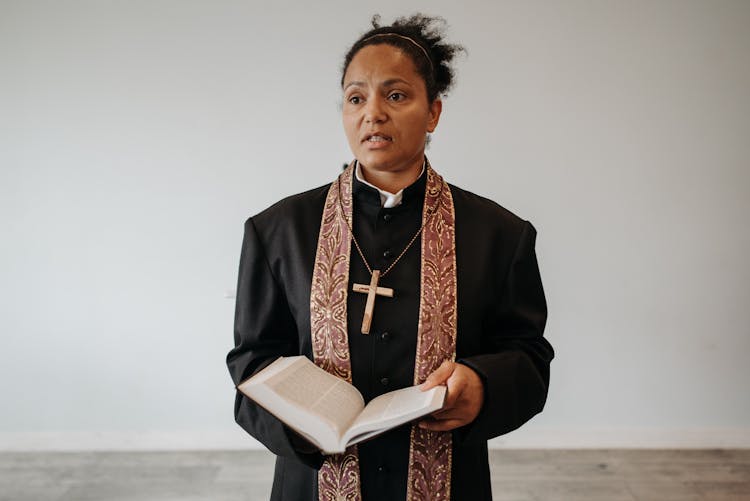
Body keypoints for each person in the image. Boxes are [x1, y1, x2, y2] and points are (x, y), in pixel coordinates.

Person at [226, 13, 554, 501]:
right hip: (314, 484)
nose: (372, 113)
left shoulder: (500, 234)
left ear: (434, 112)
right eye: (356, 97)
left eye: (396, 95)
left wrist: (481, 385)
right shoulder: (277, 231)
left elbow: (529, 356)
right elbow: (251, 361)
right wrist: (299, 426)